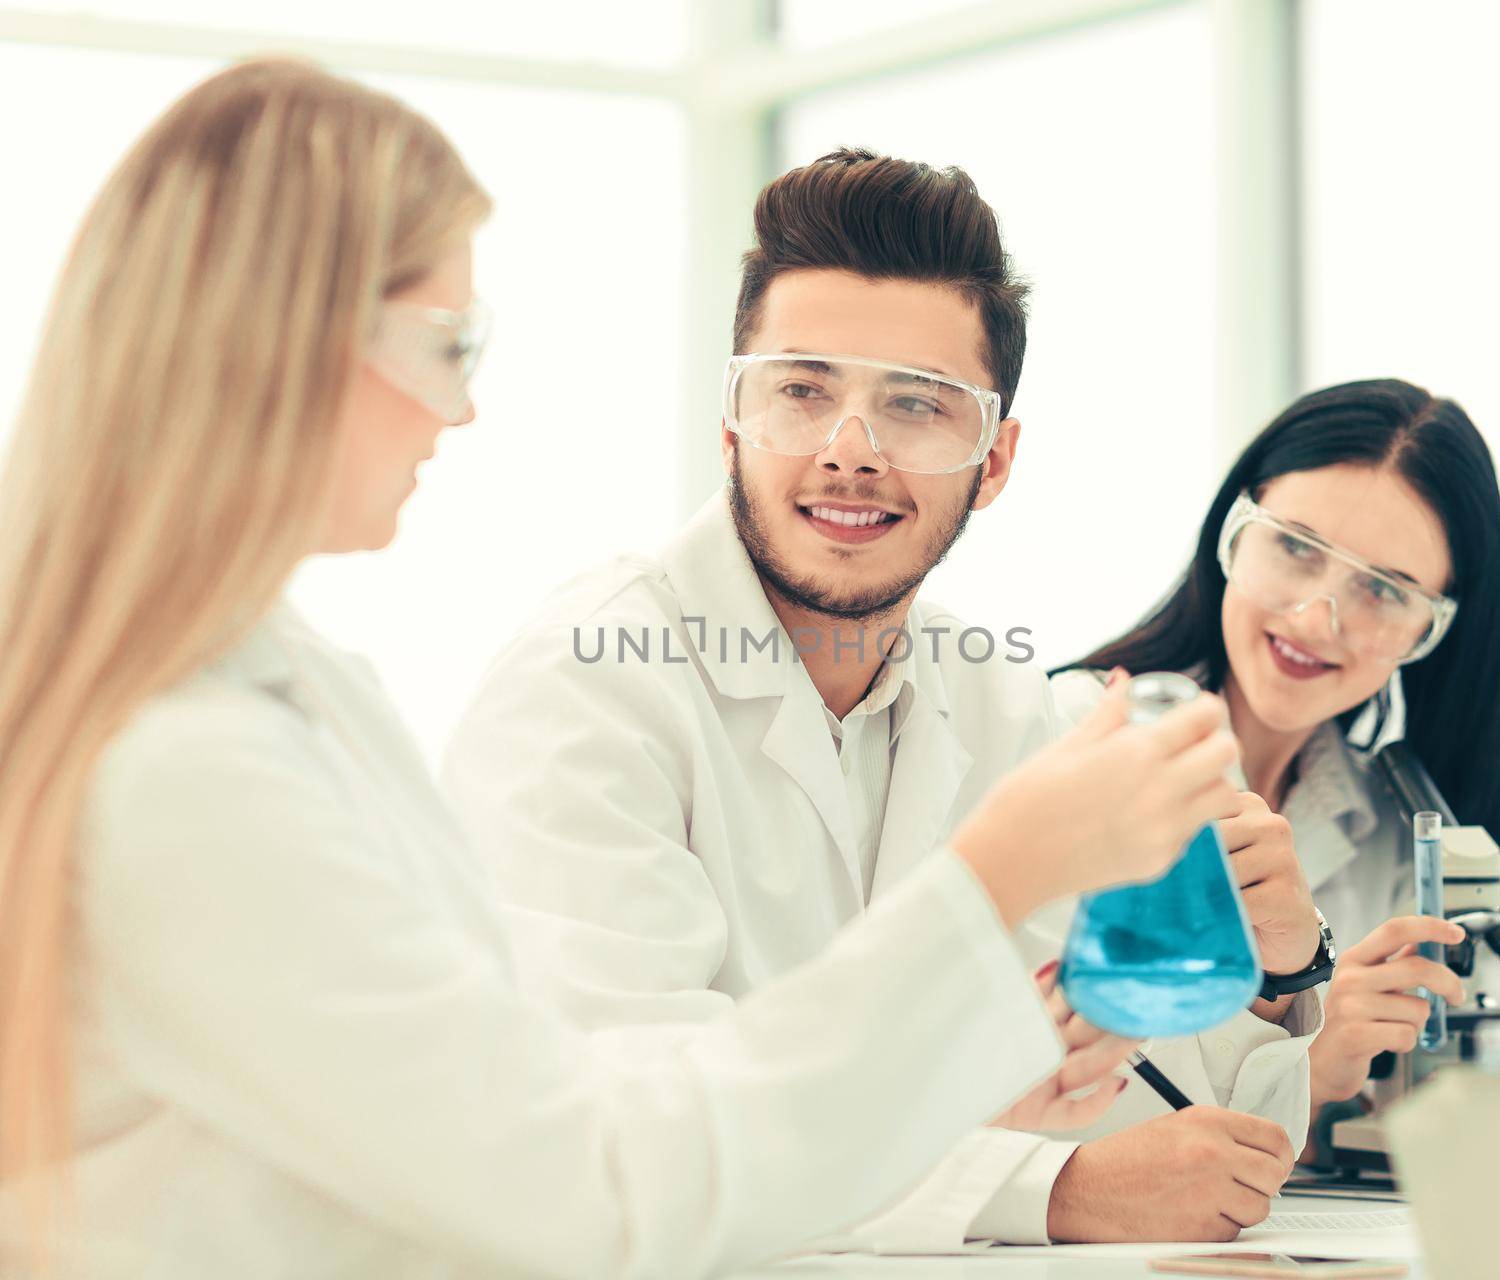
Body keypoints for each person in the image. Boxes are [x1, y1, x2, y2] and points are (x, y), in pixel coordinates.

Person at [0, 60, 1245, 1278]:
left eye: (916, 405)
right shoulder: (192, 767)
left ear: (997, 454)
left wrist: (957, 1062)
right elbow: (596, 1188)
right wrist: (993, 882)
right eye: (451, 342)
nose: (462, 410)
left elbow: (534, 1097)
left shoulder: (287, 686)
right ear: (285, 345)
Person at [442, 149, 1319, 1249]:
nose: (848, 452)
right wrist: (1043, 1191)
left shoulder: (1007, 704)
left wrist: (1284, 963)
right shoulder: (587, 685)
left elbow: (1165, 1105)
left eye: (917, 405)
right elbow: (632, 1128)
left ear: (994, 461)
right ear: (731, 422)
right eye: (802, 391)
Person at [1052, 378, 1500, 1139]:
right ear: (1234, 532)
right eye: (1295, 547)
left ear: (1431, 632)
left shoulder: (1397, 841)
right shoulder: (1072, 736)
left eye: (1384, 590)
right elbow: (1068, 1113)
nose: (1317, 618)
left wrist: (1357, 1078)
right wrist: (1311, 1067)